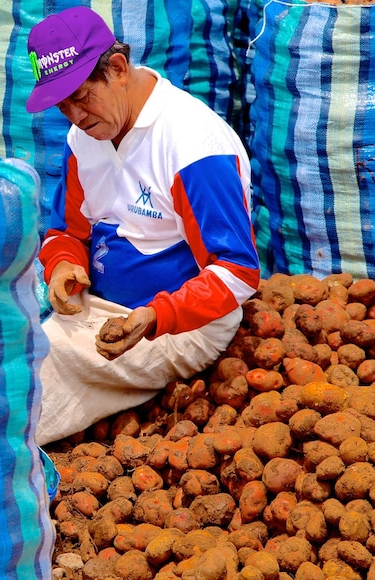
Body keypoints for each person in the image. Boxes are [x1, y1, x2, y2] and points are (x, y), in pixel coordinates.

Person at [26, 6, 260, 445]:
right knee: (4, 329)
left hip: (182, 325)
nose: (74, 116)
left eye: (81, 96)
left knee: (32, 371)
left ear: (117, 68)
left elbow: (238, 270)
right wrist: (61, 267)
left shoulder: (193, 147)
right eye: (62, 105)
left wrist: (156, 316)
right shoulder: (87, 136)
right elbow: (66, 232)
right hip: (98, 307)